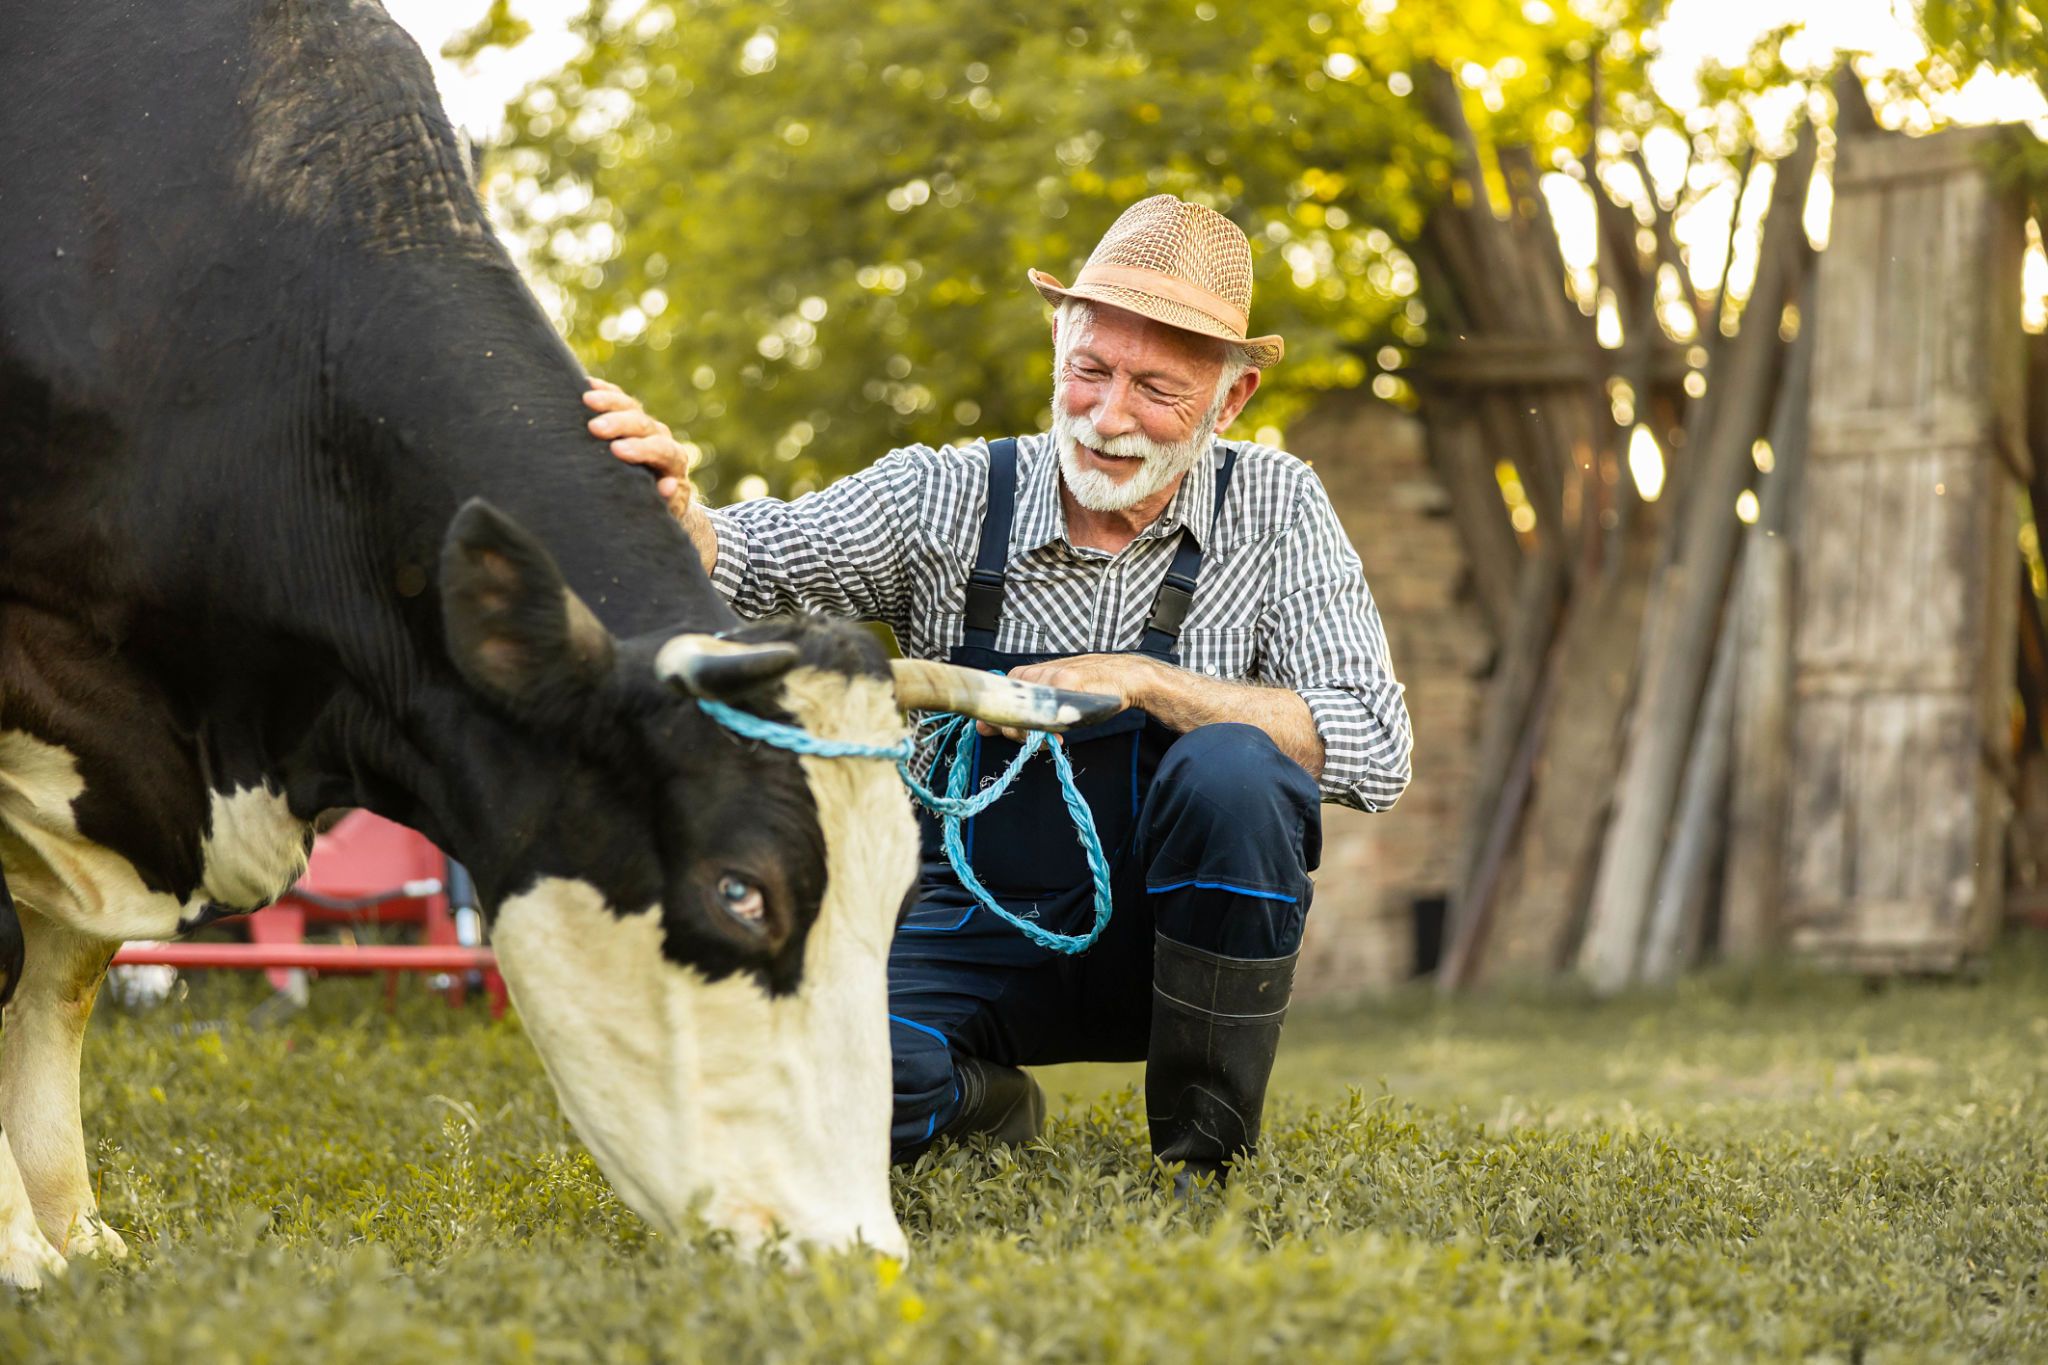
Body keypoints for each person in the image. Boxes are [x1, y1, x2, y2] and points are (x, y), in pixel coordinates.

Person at [584, 195, 1412, 1185]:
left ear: (1227, 402)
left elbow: (1371, 742)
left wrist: (1150, 685)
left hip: (1183, 948)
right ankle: (980, 1101)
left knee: (1235, 764)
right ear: (1057, 348)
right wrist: (673, 506)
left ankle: (1205, 1159)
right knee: (835, 1082)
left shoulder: (1276, 509)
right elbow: (752, 560)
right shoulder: (948, 493)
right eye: (1089, 372)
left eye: (1156, 389)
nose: (1108, 419)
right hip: (969, 914)